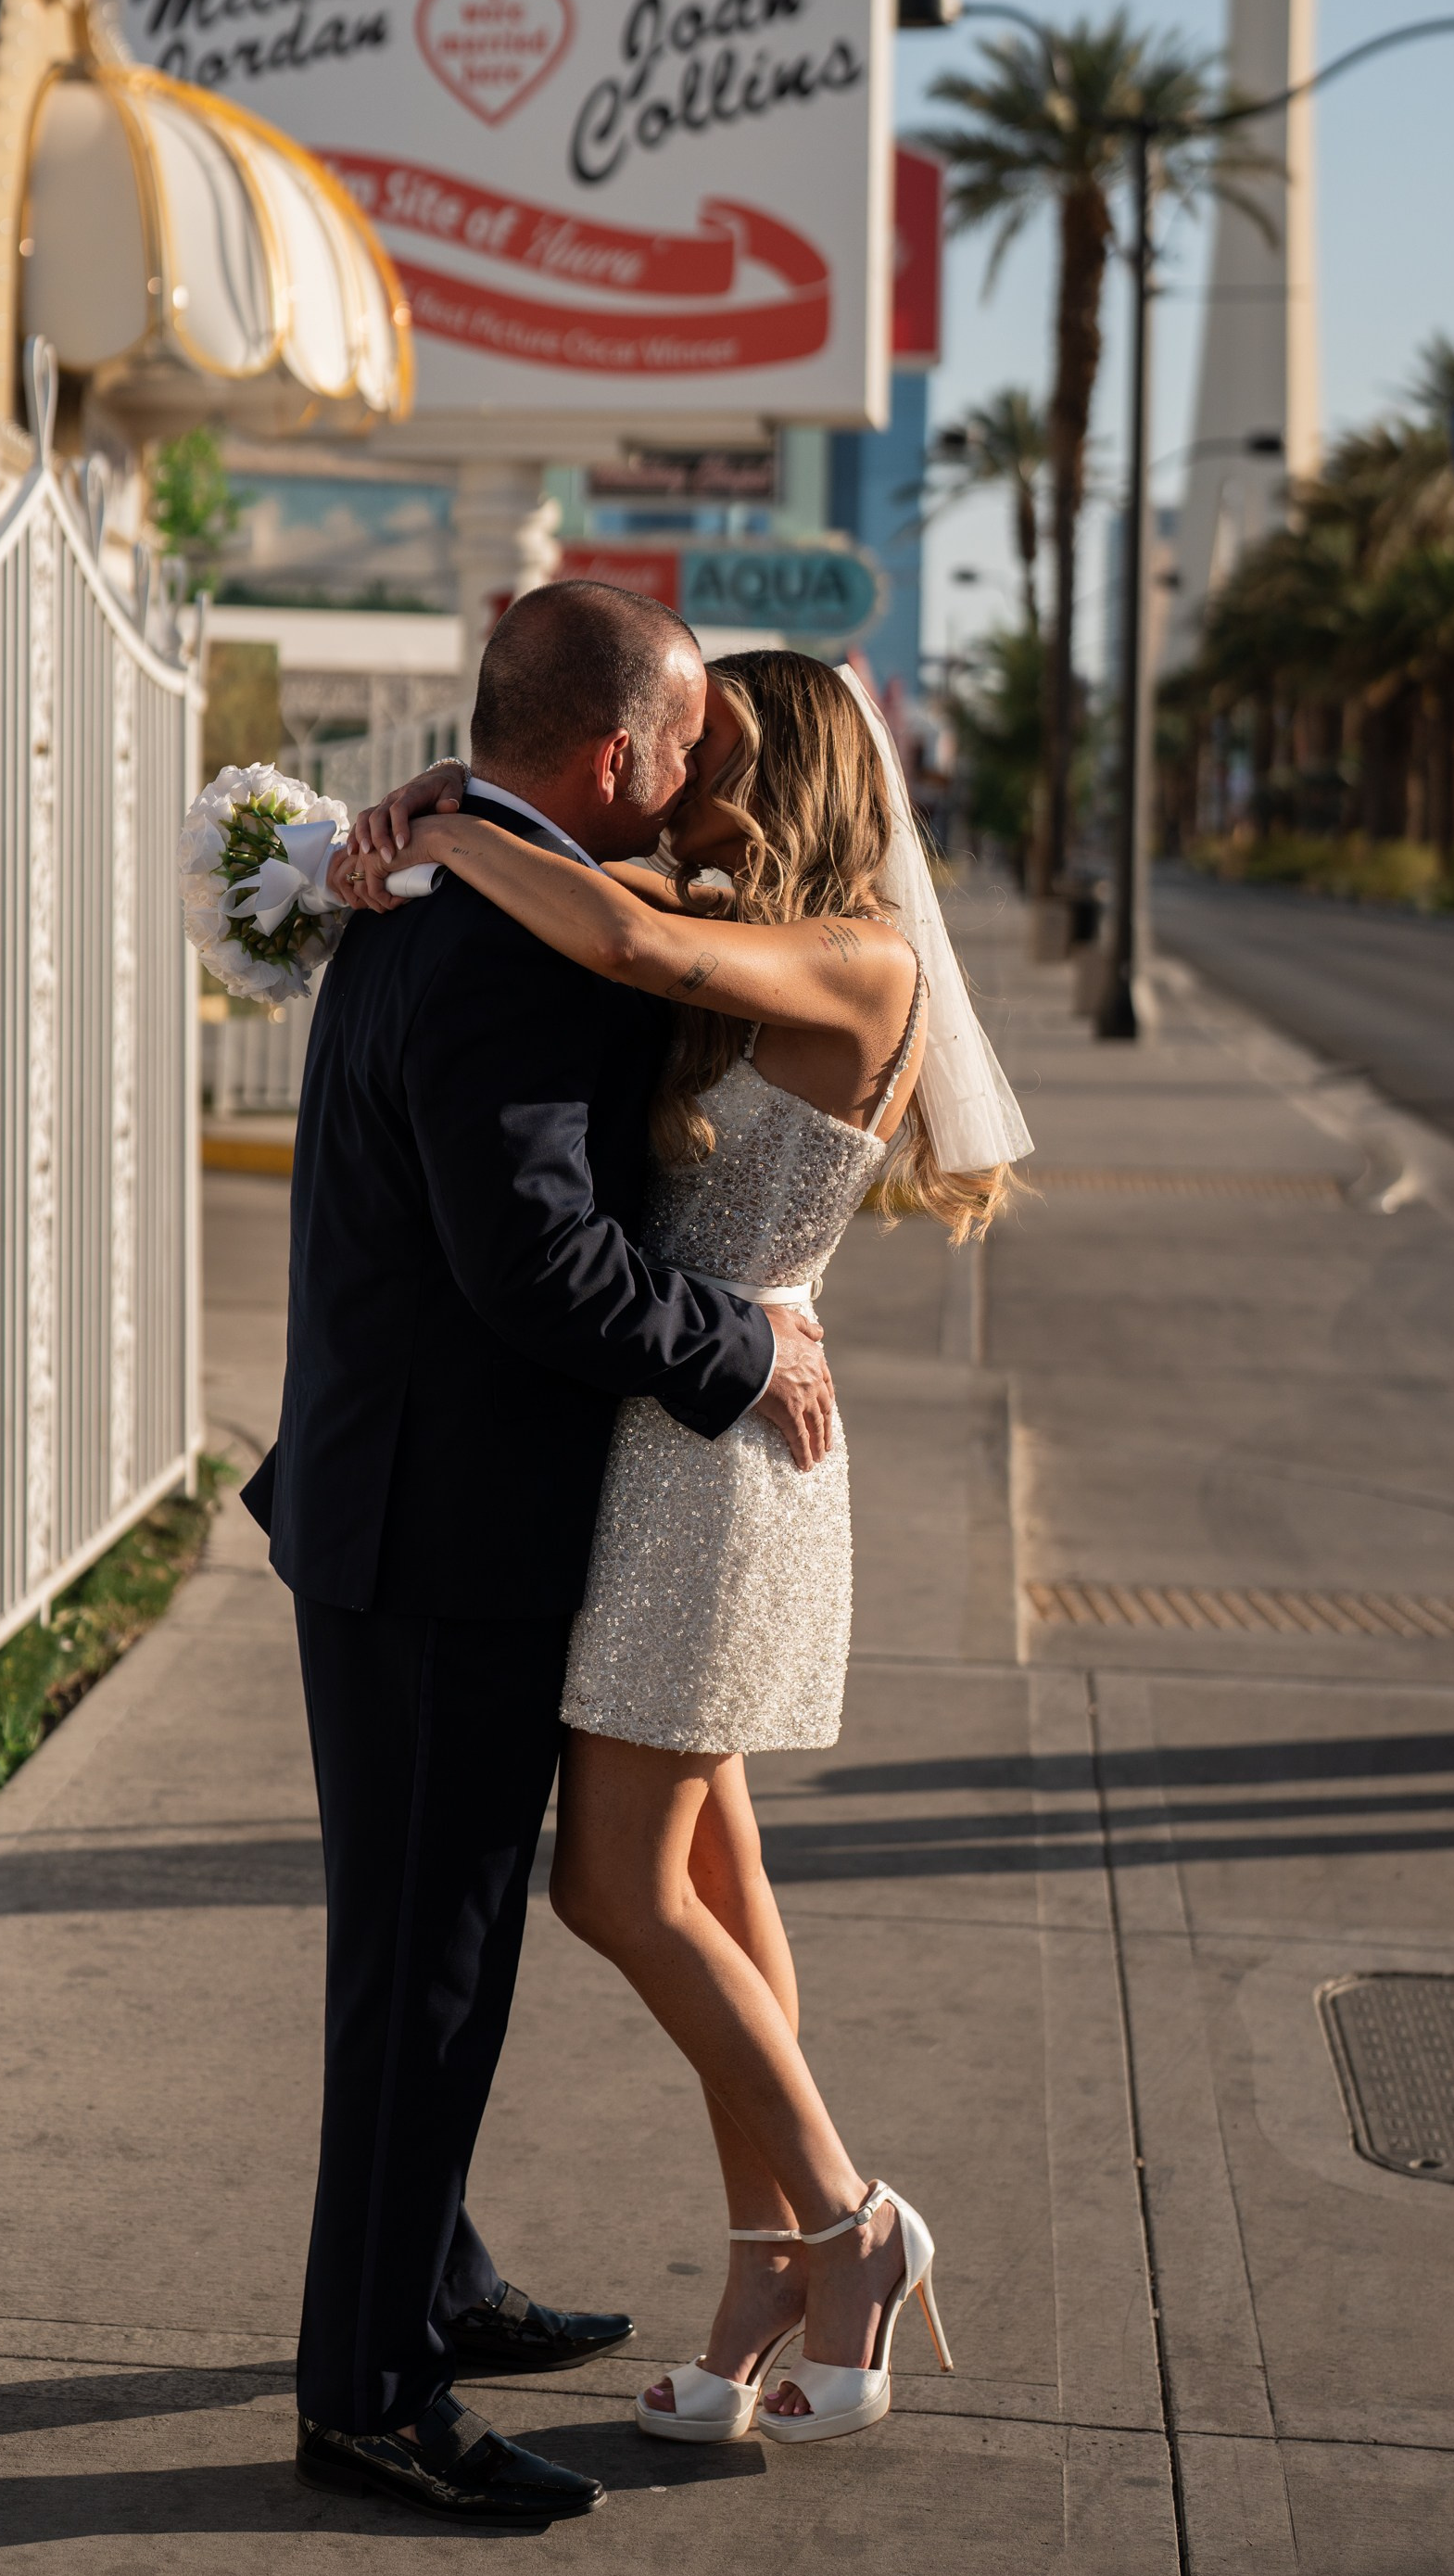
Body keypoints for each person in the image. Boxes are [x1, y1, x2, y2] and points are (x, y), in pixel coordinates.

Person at [344, 641, 1031, 2448]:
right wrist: (431, 828)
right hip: (671, 1438)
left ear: (776, 762)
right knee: (717, 1892)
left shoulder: (854, 954)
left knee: (614, 1889)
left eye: (705, 748)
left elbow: (630, 945)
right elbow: (619, 912)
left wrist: (438, 816)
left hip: (721, 1456)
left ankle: (848, 2221)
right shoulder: (735, 922)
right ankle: (762, 2283)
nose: (670, 778)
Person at [241, 583, 839, 2527]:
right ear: (609, 758)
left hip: (385, 1501)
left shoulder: (433, 880)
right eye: (676, 753)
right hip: (439, 1534)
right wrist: (739, 1351)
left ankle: (435, 2279)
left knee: (424, 1953)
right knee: (426, 1975)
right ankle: (372, 2396)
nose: (688, 788)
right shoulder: (508, 939)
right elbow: (540, 1266)